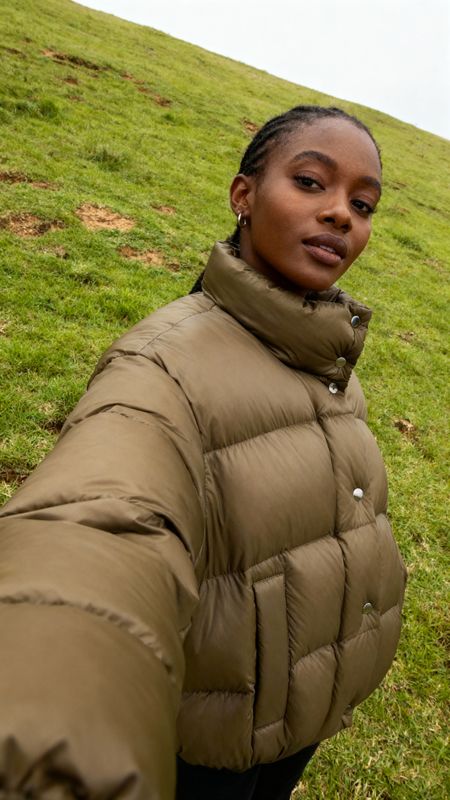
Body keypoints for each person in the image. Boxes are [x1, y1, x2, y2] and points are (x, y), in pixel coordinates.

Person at [0, 105, 407, 799]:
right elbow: (97, 529)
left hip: (296, 719)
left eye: (361, 203)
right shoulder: (161, 368)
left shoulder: (325, 349)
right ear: (243, 196)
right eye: (312, 183)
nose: (342, 214)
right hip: (216, 751)